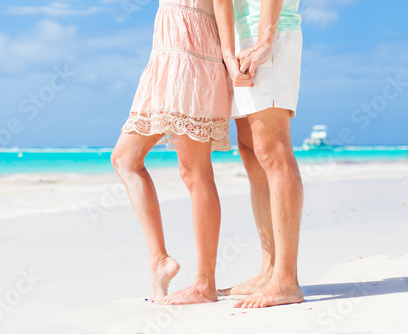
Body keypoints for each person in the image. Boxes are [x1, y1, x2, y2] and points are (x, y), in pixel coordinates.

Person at [111, 0, 252, 305]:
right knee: (126, 160)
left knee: (196, 173)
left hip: (188, 55)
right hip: (171, 54)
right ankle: (159, 261)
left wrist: (228, 56)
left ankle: (204, 283)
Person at [217, 0, 305, 308]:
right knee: (251, 152)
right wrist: (228, 55)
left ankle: (286, 280)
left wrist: (265, 40)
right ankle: (269, 270)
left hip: (272, 32)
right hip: (243, 39)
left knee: (273, 150)